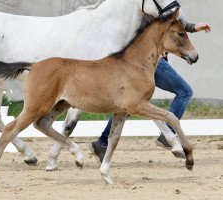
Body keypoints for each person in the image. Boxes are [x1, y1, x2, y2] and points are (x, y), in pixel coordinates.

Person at [90, 14, 211, 163]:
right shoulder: (152, 7)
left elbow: (174, 21)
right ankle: (169, 135)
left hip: (144, 58)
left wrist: (192, 27)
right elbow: (167, 21)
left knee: (131, 104)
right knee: (184, 91)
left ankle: (102, 143)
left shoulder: (156, 6)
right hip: (148, 60)